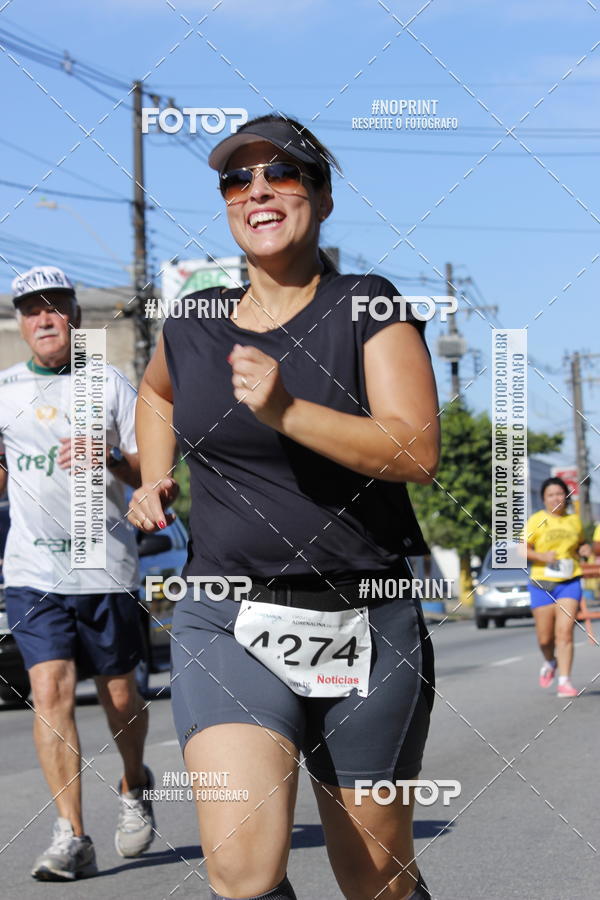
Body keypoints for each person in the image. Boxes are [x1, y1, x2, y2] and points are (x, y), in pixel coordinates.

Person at [130, 115, 439, 900]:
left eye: (283, 174)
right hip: (224, 613)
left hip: (364, 618)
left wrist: (286, 411)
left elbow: (416, 451)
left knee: (376, 879)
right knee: (242, 866)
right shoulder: (196, 319)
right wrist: (153, 476)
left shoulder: (367, 305)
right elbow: (156, 392)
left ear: (323, 198)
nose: (258, 191)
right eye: (239, 180)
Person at [0, 266, 156, 881]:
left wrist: (111, 456)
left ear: (76, 318)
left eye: (54, 308)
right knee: (50, 693)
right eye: (30, 310)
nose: (43, 319)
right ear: (20, 322)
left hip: (104, 564)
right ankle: (72, 834)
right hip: (31, 569)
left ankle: (135, 782)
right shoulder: (5, 389)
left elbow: (151, 474)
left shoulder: (109, 383)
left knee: (120, 695)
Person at [525, 477, 591, 697]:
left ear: (566, 496)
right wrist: (542, 555)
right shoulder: (536, 520)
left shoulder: (574, 521)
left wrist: (584, 549)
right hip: (542, 583)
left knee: (565, 633)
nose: (556, 498)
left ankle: (565, 681)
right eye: (550, 494)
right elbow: (521, 550)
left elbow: (581, 544)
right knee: (545, 639)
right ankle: (550, 661)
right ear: (543, 498)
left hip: (569, 581)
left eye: (559, 493)